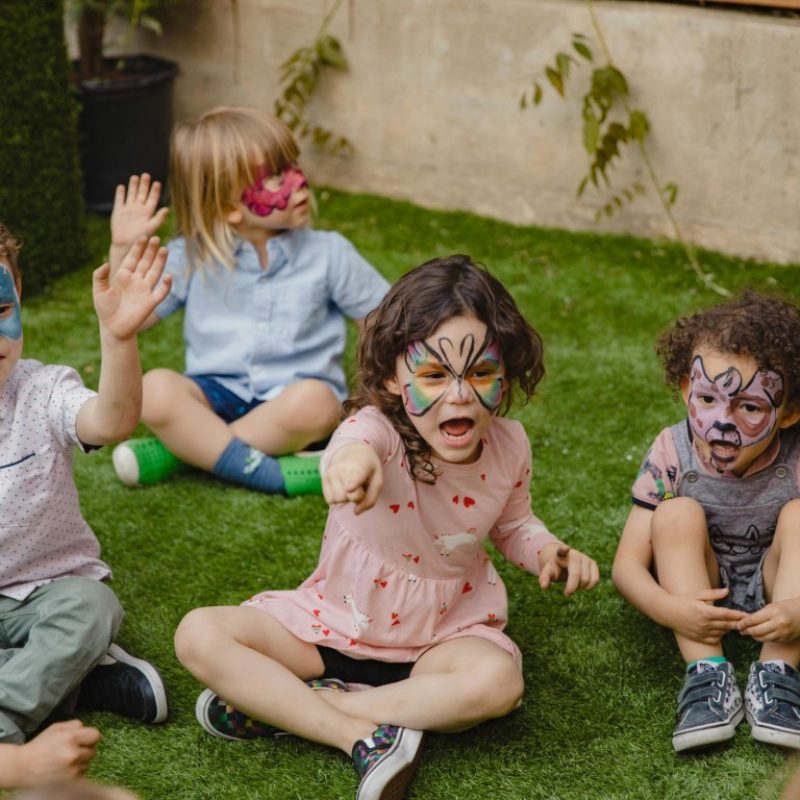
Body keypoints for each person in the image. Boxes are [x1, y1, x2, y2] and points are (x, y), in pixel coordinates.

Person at [174, 255, 600, 800]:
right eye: (433, 374)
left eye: (480, 372)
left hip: (440, 642)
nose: (460, 394)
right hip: (331, 631)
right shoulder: (373, 430)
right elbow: (351, 450)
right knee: (199, 634)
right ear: (394, 378)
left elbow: (515, 523)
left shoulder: (510, 444)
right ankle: (358, 733)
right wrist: (349, 468)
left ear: (505, 371)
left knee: (499, 684)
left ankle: (298, 710)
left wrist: (547, 551)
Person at [107, 107, 389, 496]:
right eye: (275, 175)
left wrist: (375, 401)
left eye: (293, 165)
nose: (298, 181)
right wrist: (123, 248)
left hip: (292, 401)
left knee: (319, 402)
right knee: (155, 389)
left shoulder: (330, 254)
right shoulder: (191, 256)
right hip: (214, 393)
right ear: (228, 207)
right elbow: (128, 317)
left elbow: (382, 323)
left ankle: (186, 452)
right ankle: (270, 474)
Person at [0, 225, 170, 782]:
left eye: (1, 308)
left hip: (49, 591)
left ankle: (7, 716)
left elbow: (113, 421)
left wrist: (119, 338)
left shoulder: (43, 389)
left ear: (19, 297)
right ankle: (84, 681)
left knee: (91, 610)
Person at [612, 290, 800, 753]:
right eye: (707, 398)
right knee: (675, 513)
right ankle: (707, 675)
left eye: (750, 407)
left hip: (779, 585)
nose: (721, 422)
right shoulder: (671, 450)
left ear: (790, 412)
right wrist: (670, 610)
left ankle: (779, 677)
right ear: (684, 389)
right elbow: (627, 567)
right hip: (699, 584)